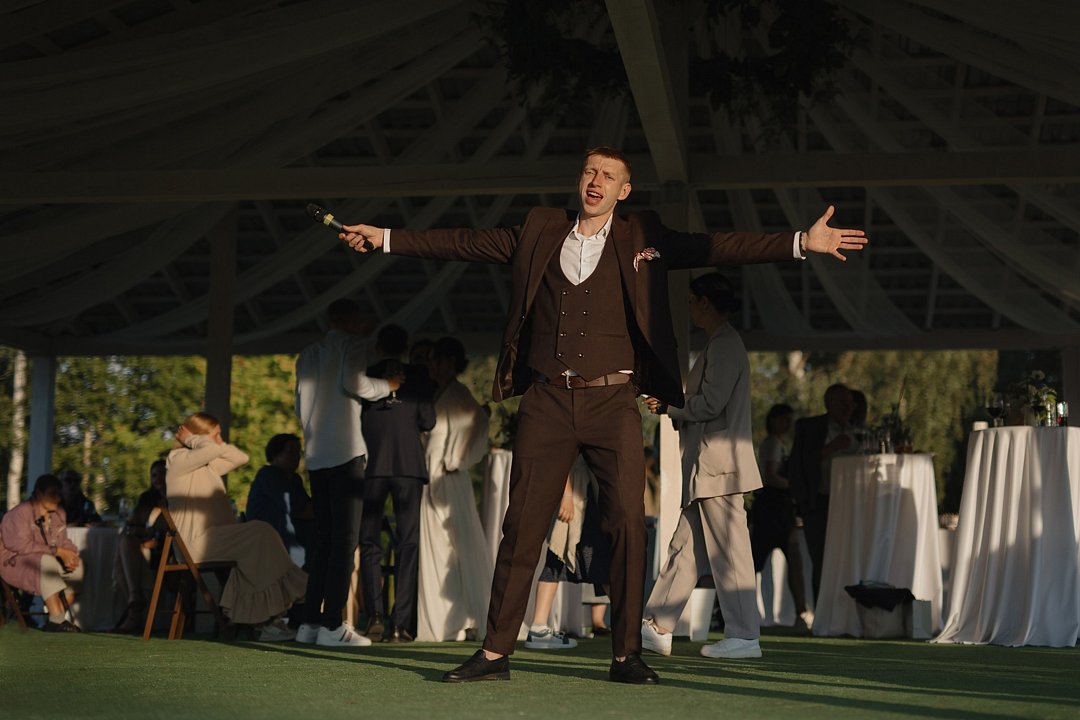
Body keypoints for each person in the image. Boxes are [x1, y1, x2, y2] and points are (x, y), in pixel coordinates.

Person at [340, 145, 866, 684]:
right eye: (590, 171)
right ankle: (494, 653)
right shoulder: (540, 227)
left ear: (623, 190)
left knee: (627, 527)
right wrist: (384, 237)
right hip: (546, 399)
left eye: (608, 176)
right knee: (521, 526)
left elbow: (718, 245)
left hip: (613, 401)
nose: (596, 181)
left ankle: (626, 655)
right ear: (580, 179)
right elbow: (462, 242)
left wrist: (801, 242)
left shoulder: (644, 235)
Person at [638, 273, 764, 660]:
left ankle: (744, 635)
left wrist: (670, 406)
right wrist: (672, 405)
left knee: (730, 551)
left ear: (706, 302)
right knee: (685, 548)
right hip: (708, 464)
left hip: (719, 465)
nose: (689, 307)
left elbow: (711, 402)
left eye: (692, 300)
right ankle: (657, 625)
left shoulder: (724, 344)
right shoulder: (719, 343)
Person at [294, 298, 401, 647]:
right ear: (352, 321)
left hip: (316, 454)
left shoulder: (307, 353)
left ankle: (310, 622)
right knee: (345, 542)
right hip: (345, 453)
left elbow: (298, 403)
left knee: (323, 541)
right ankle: (332, 625)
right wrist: (388, 386)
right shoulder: (352, 345)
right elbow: (355, 383)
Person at [166, 412, 306, 641]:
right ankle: (271, 616)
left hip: (215, 538)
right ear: (199, 436)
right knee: (259, 531)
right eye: (216, 435)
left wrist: (212, 443)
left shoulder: (206, 465)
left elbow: (241, 458)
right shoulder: (178, 461)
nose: (220, 440)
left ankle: (267, 620)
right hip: (195, 543)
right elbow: (210, 450)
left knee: (258, 540)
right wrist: (192, 439)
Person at [359, 323, 436, 643]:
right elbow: (428, 421)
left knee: (369, 542)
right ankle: (399, 624)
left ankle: (374, 616)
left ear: (378, 348)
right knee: (408, 543)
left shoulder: (364, 375)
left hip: (372, 465)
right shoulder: (419, 377)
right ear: (405, 349)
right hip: (408, 465)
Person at [416, 337, 493, 642]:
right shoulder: (442, 392)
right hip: (435, 473)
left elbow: (479, 419)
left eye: (435, 360)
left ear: (448, 362)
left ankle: (464, 618)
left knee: (454, 545)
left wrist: (456, 458)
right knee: (441, 547)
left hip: (446, 477)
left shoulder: (456, 393)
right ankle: (453, 619)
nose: (431, 366)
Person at [525, 455, 612, 650]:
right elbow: (562, 453)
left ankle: (628, 629)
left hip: (593, 492)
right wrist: (566, 494)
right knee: (558, 557)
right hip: (577, 490)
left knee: (603, 563)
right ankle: (538, 628)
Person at [787, 383, 855, 602]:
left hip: (850, 506)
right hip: (819, 504)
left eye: (849, 403)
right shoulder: (810, 428)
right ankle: (822, 610)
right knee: (822, 560)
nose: (847, 408)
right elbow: (800, 462)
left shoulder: (856, 430)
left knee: (849, 560)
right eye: (841, 402)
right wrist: (831, 448)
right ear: (829, 404)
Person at [749, 404, 812, 629]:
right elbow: (771, 476)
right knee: (755, 562)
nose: (788, 424)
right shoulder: (773, 444)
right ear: (774, 420)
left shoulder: (778, 444)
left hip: (781, 510)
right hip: (772, 510)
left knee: (792, 560)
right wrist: (796, 485)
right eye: (784, 419)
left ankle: (801, 612)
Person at [0, 474, 83, 632]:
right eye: (52, 494)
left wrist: (71, 554)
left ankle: (56, 618)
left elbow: (64, 541)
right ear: (38, 493)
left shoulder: (59, 513)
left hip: (44, 559)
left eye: (59, 494)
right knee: (47, 562)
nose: (57, 498)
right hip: (13, 562)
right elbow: (20, 546)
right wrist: (58, 551)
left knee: (79, 566)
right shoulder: (19, 513)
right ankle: (57, 620)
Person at [111, 459, 169, 633]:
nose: (158, 478)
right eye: (154, 475)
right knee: (125, 541)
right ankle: (135, 599)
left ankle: (134, 612)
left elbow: (172, 529)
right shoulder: (146, 498)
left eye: (162, 473)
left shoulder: (177, 498)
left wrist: (153, 538)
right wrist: (146, 536)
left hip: (166, 551)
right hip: (144, 546)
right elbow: (135, 524)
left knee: (123, 551)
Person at [245, 434, 313, 569]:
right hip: (275, 545)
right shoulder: (268, 475)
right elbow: (300, 509)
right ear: (275, 454)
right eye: (290, 451)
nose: (296, 457)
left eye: (298, 452)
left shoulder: (294, 479)